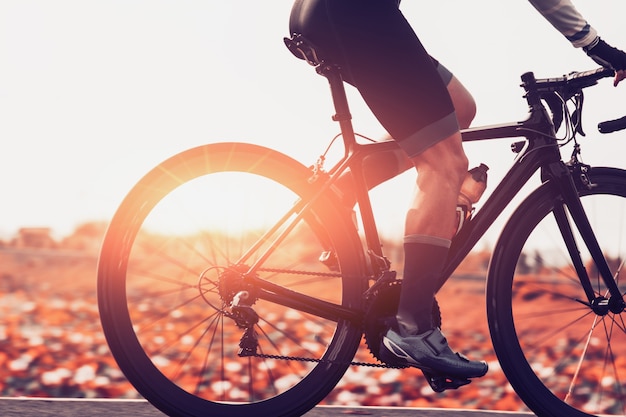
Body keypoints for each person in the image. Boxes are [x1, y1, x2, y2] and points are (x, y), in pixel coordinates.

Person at [288, 0, 626, 383]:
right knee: (445, 164)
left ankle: (340, 195)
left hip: (327, 13)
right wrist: (598, 47)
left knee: (460, 108)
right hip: (358, 16)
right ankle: (412, 328)